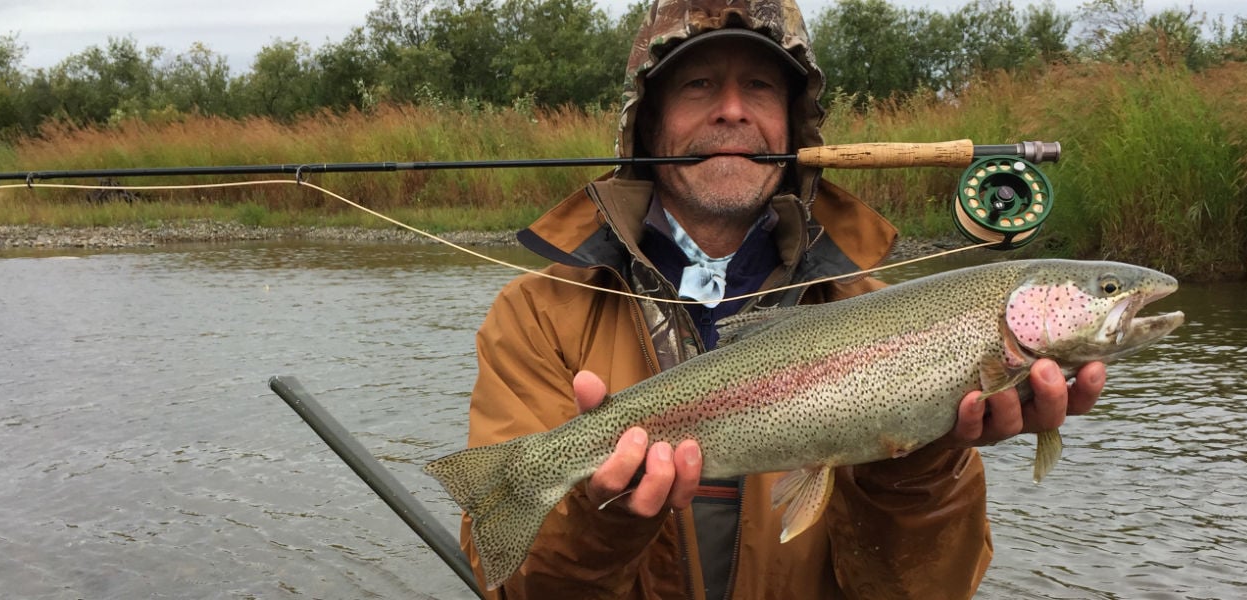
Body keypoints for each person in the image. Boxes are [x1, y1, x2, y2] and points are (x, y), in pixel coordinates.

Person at [459, 0, 1106, 597]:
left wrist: (915, 470)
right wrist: (604, 518)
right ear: (648, 125)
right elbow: (511, 589)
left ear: (795, 125)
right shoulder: (537, 316)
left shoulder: (882, 315)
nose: (733, 110)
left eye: (761, 86)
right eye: (699, 84)